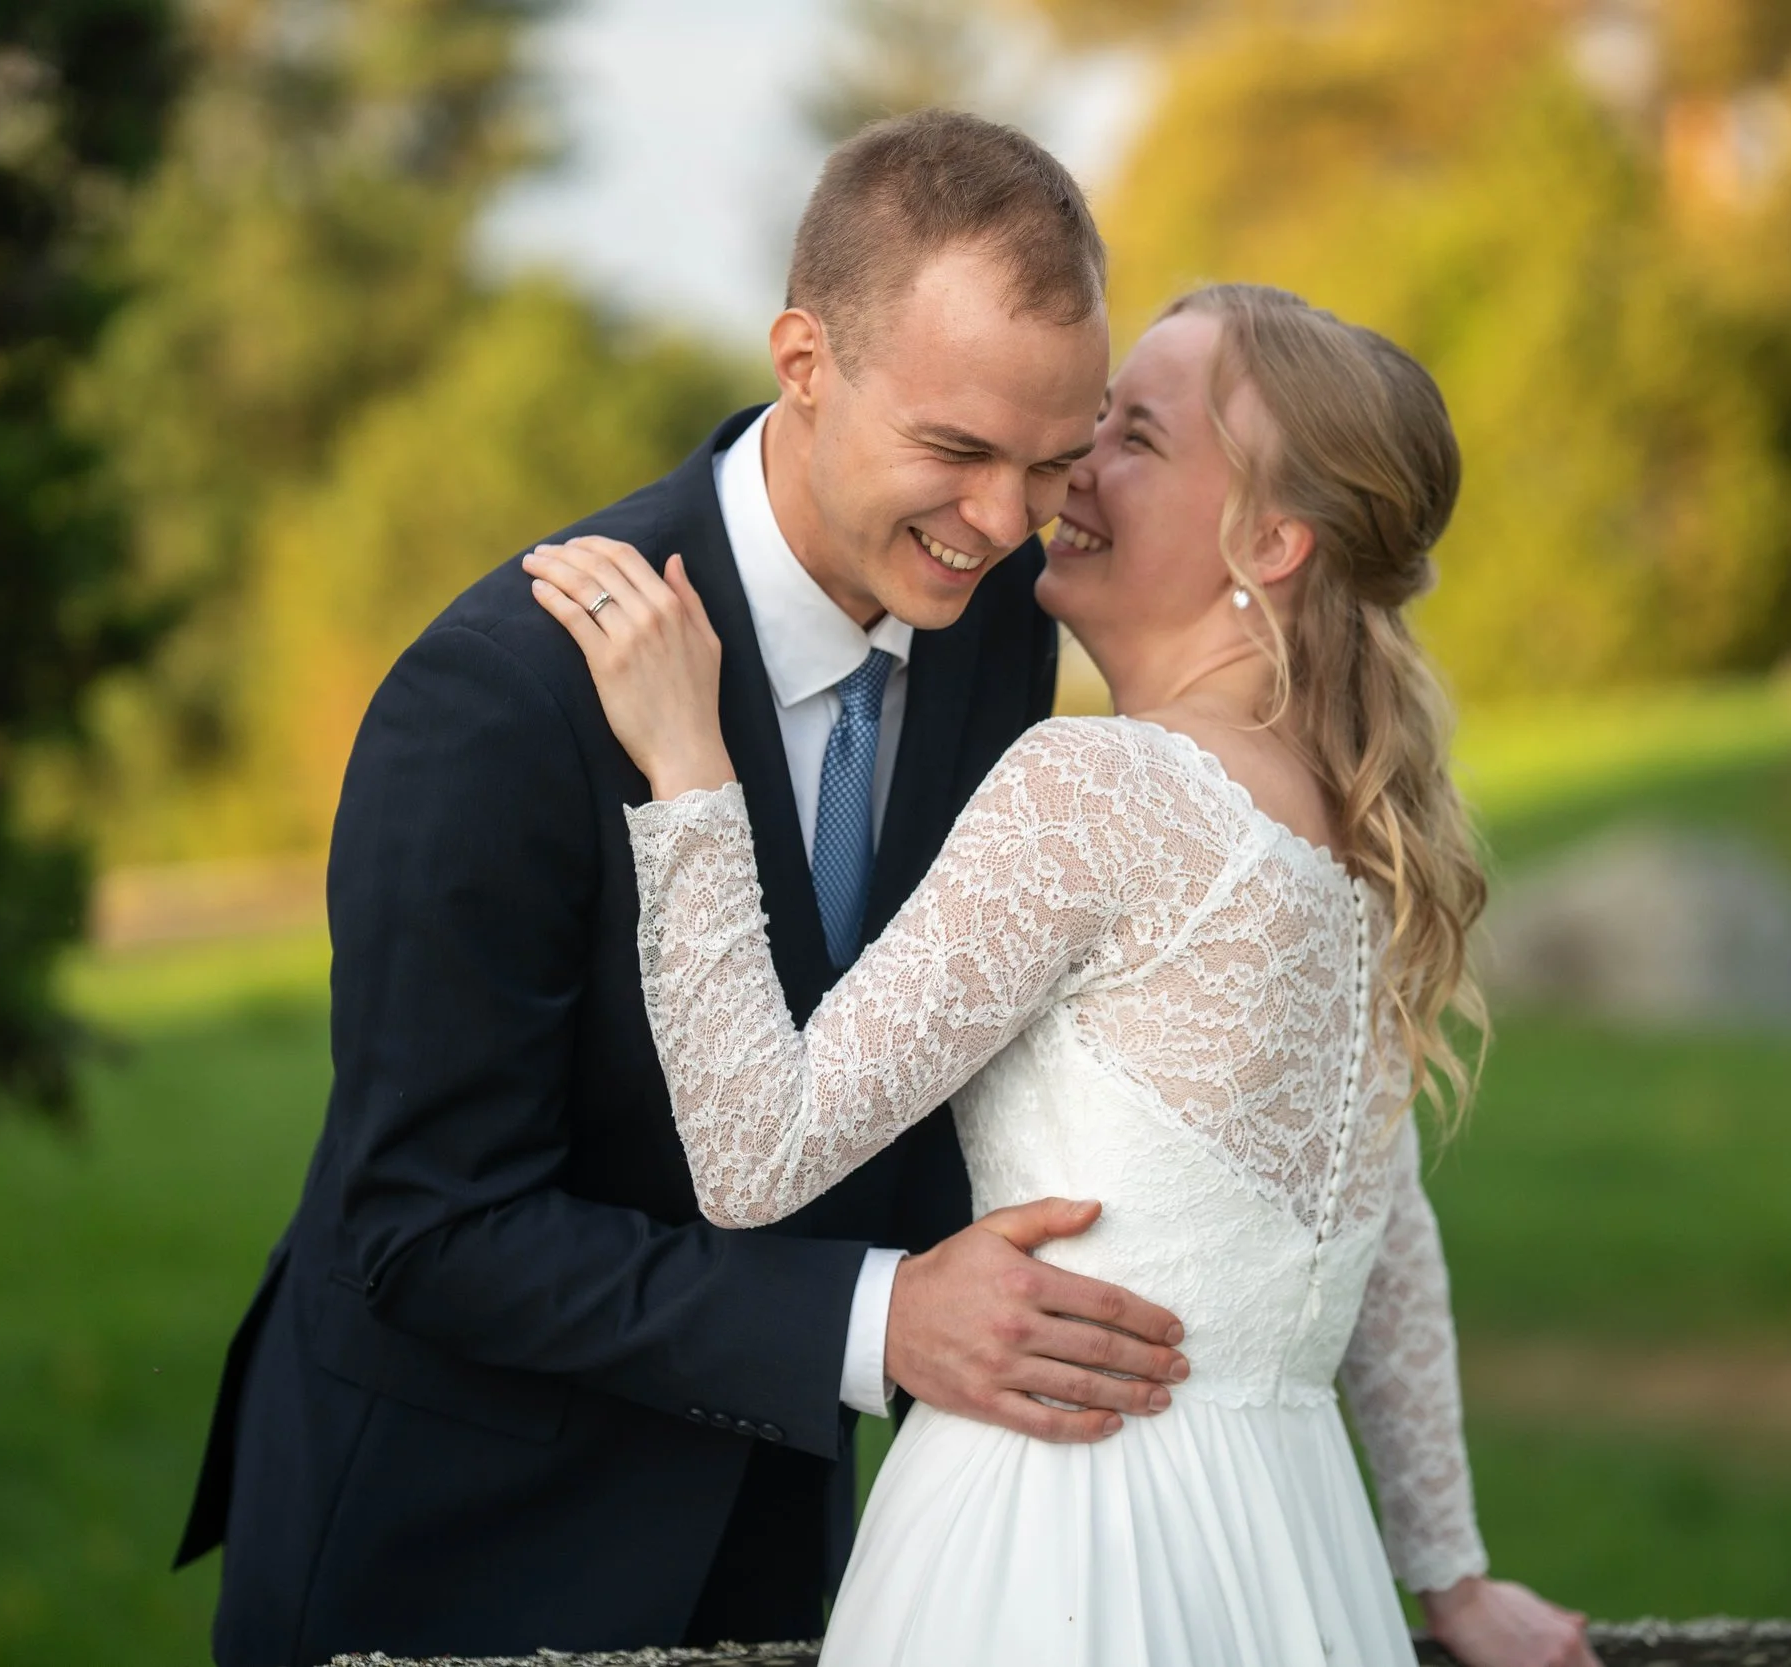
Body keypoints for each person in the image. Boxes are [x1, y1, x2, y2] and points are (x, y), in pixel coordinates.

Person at [174, 110, 1192, 1665]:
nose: (1003, 523)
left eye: (1052, 462)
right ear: (803, 361)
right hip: (456, 1541)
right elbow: (427, 1228)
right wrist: (873, 1322)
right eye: (956, 449)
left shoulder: (993, 632)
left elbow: (909, 1048)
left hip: (782, 1533)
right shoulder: (502, 700)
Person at [526, 281, 1600, 1665]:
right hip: (1289, 1553)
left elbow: (757, 1148)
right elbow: (1384, 1236)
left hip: (1053, 1539)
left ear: (1272, 540)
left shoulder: (1100, 786)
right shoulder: (1355, 830)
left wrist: (689, 770)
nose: (1069, 469)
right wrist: (1446, 1575)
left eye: (1135, 438)